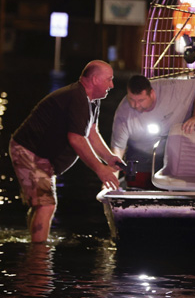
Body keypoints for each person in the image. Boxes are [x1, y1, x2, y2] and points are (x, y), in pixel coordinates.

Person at [9, 60, 123, 243]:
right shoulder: (76, 97)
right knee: (46, 205)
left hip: (44, 157)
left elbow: (91, 132)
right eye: (109, 79)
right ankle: (38, 254)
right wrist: (100, 169)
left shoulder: (92, 100)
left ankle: (35, 246)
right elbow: (76, 139)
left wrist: (109, 157)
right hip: (29, 151)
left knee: (43, 204)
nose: (112, 85)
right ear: (95, 80)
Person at [111, 75, 195, 184]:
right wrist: (111, 180)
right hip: (143, 149)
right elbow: (118, 148)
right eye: (131, 99)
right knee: (137, 176)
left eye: (141, 100)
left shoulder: (171, 89)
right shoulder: (123, 113)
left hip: (178, 142)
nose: (136, 105)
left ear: (152, 94)